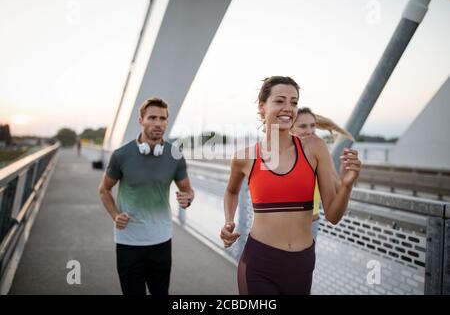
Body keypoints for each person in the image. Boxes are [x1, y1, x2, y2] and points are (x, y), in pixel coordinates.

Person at [220, 76, 361, 295]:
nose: (288, 108)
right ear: (262, 105)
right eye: (280, 101)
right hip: (259, 264)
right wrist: (229, 221)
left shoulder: (315, 147)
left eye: (294, 102)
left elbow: (333, 216)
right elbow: (231, 191)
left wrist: (347, 186)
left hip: (302, 265)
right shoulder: (245, 157)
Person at [98, 97, 195, 295]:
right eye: (152, 118)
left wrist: (188, 198)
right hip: (128, 242)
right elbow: (104, 189)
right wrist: (115, 215)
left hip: (161, 241)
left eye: (162, 118)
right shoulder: (121, 155)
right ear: (141, 120)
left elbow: (187, 189)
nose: (158, 123)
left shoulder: (175, 155)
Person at [290, 107, 355, 241]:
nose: (310, 131)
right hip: (280, 225)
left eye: (312, 126)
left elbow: (338, 191)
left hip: (310, 223)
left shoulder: (321, 152)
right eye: (303, 126)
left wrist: (346, 183)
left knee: (304, 262)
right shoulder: (281, 154)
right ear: (291, 129)